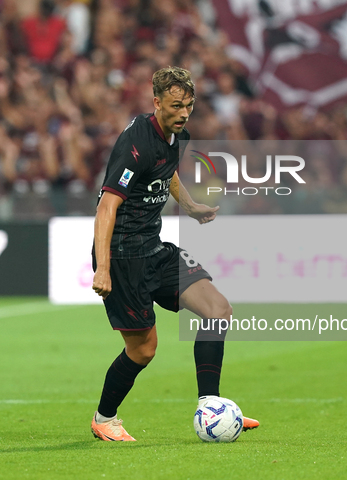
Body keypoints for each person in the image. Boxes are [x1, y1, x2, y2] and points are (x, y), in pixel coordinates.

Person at [90, 66, 259, 441]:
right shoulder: (135, 143)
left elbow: (167, 174)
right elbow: (106, 207)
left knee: (218, 309)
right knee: (144, 350)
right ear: (156, 102)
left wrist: (192, 206)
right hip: (123, 258)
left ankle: (211, 408)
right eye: (176, 106)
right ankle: (104, 418)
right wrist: (103, 269)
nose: (184, 113)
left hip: (155, 249)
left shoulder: (175, 136)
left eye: (189, 105)